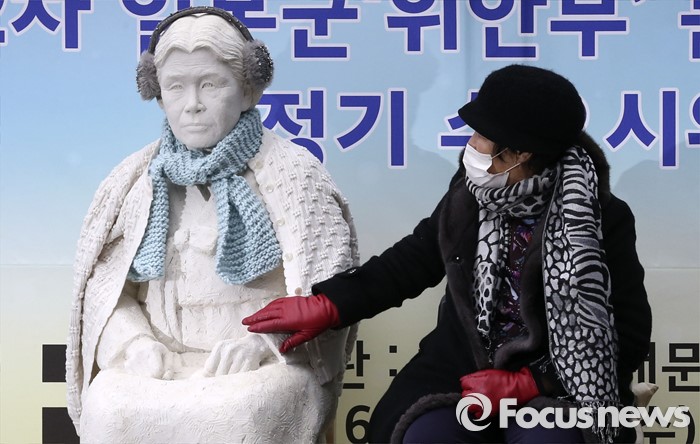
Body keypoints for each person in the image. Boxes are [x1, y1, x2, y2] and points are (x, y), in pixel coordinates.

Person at [244, 64, 652, 443]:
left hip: (560, 383)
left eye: (481, 136)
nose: (470, 144)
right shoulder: (474, 192)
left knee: (550, 439)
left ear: (520, 153)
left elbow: (629, 333)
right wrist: (331, 304)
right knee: (426, 436)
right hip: (462, 368)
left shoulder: (600, 218)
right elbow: (415, 259)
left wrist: (530, 382)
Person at [65, 7, 358, 443]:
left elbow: (327, 290)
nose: (193, 104)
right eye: (176, 87)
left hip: (263, 366)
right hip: (159, 364)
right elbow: (106, 294)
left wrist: (264, 344)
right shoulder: (131, 181)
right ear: (158, 95)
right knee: (109, 406)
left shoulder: (296, 175)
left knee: (244, 413)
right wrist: (135, 344)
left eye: (211, 84)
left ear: (248, 90)